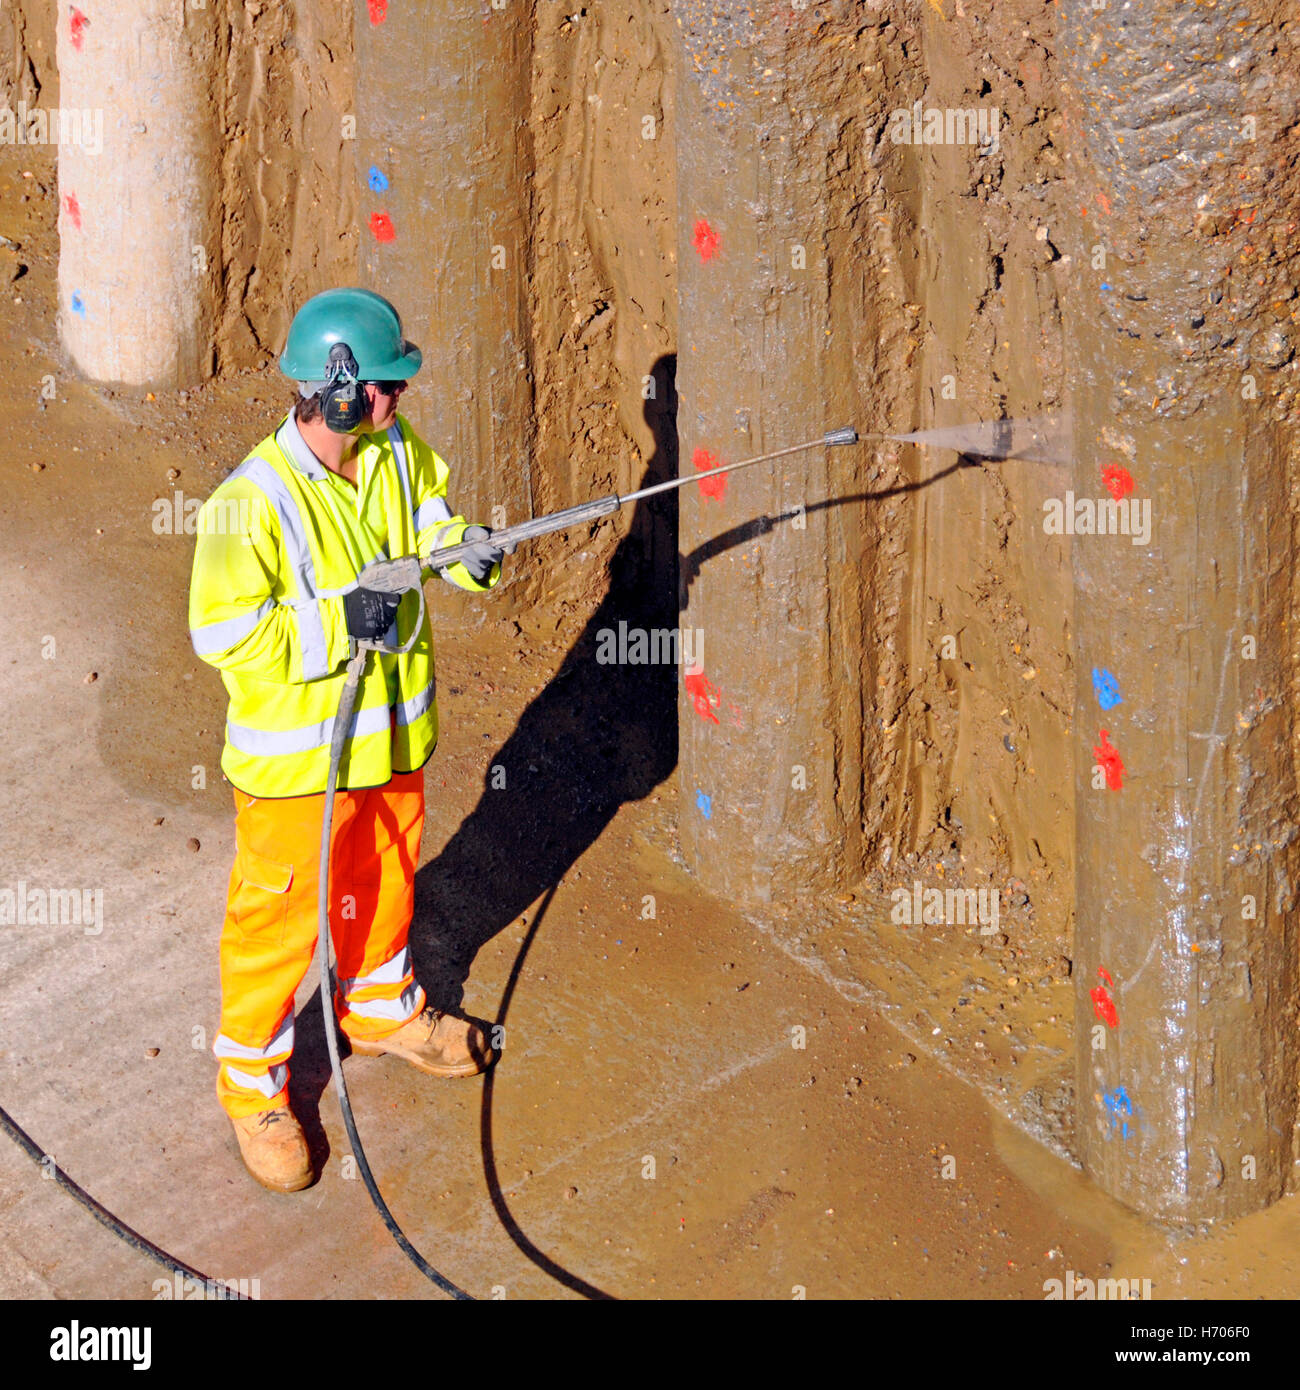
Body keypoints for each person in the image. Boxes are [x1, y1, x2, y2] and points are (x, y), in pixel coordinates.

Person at [188, 288, 504, 1192]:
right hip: (298, 771)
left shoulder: (393, 450)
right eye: (385, 385)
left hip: (390, 744)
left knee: (383, 883)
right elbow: (226, 636)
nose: (398, 398)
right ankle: (253, 1085)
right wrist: (341, 622)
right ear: (335, 392)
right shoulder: (249, 505)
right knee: (276, 927)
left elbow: (430, 519)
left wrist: (463, 551)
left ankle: (376, 1006)